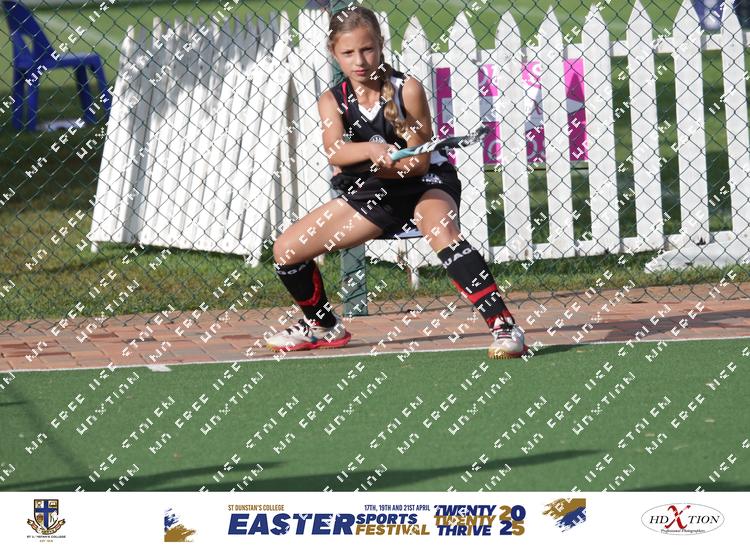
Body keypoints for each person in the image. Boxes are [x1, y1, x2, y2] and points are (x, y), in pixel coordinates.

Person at [266, 6, 526, 359]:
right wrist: (373, 151)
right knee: (286, 251)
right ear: (334, 53)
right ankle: (323, 326)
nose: (360, 60)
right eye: (348, 52)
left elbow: (418, 163)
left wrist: (379, 162)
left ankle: (505, 326)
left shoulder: (408, 89)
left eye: (367, 49)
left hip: (425, 183)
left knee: (442, 231)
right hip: (375, 192)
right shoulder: (332, 100)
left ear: (381, 45)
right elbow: (335, 151)